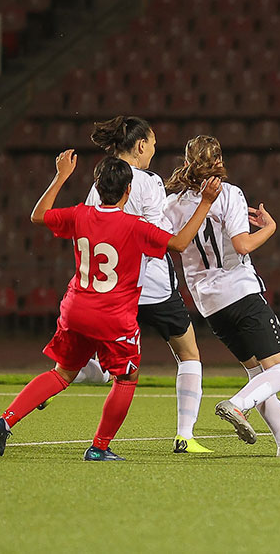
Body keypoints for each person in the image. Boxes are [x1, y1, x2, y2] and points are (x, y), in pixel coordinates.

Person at [0, 151, 222, 460]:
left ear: (97, 185)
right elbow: (178, 244)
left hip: (76, 310)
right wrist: (205, 203)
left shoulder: (80, 214)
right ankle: (99, 447)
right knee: (127, 377)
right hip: (112, 316)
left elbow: (38, 216)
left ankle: (5, 420)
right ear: (128, 190)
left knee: (62, 374)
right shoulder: (135, 226)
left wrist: (61, 176)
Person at [71, 116, 212, 454]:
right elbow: (164, 239)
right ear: (138, 147)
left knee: (109, 360)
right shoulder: (148, 181)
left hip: (115, 288)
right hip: (153, 286)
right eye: (151, 143)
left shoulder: (100, 182)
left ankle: (84, 371)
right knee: (189, 354)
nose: (154, 149)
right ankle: (185, 435)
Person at [163, 135, 280, 458]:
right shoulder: (229, 194)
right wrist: (269, 228)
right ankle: (238, 405)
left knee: (259, 375)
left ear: (187, 163)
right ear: (218, 162)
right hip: (240, 292)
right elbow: (242, 245)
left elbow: (171, 245)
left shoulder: (173, 204)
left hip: (209, 306)